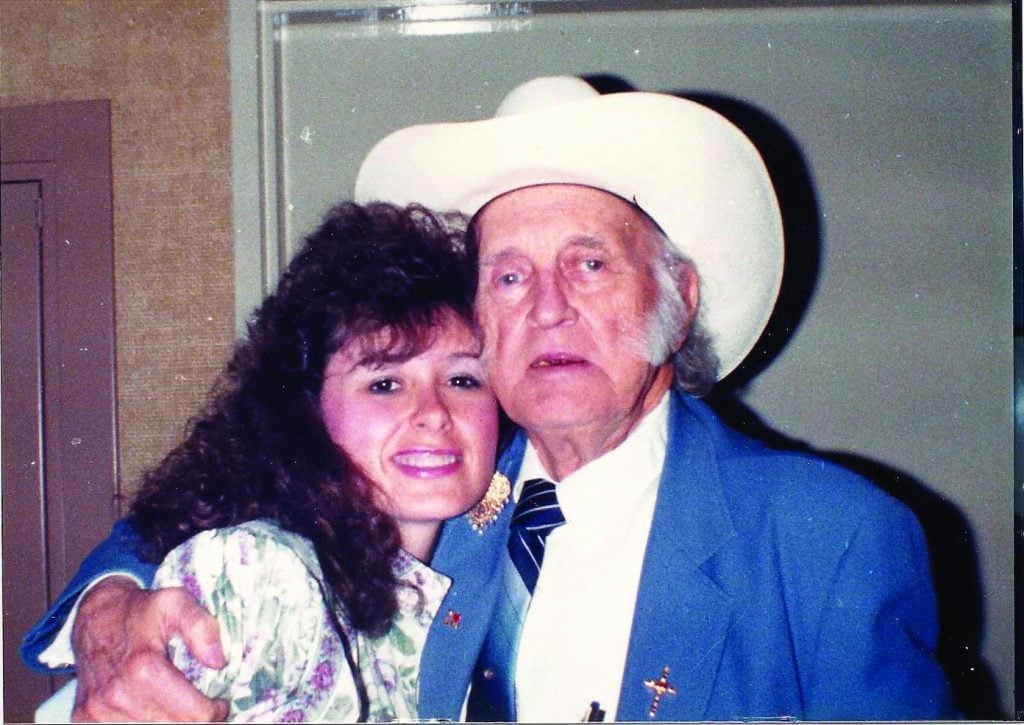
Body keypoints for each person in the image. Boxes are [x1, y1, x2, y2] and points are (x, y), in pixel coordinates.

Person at [22, 77, 955, 721]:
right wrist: (112, 608)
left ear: (678, 302)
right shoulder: (434, 477)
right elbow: (191, 519)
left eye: (589, 263)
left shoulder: (829, 536)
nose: (547, 307)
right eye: (507, 276)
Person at [26, 201, 512, 722]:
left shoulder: (424, 575)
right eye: (385, 384)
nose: (434, 414)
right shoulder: (263, 578)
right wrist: (111, 596)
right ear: (307, 411)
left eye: (463, 379)